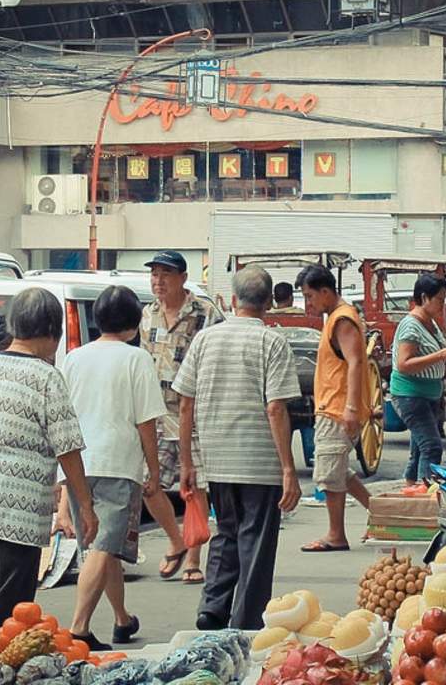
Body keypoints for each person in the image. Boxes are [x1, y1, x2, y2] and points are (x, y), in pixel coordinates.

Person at [0, 287, 99, 646]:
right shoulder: (46, 377)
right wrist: (84, 505)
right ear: (52, 330)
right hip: (17, 506)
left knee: (2, 586)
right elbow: (68, 449)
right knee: (11, 601)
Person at [173, 266, 302, 630]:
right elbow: (276, 407)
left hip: (217, 459)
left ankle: (212, 607)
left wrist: (188, 461)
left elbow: (185, 402)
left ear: (232, 300)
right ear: (267, 304)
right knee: (256, 545)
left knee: (226, 534)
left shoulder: (206, 339)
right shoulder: (272, 342)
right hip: (259, 463)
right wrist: (288, 469)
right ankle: (245, 623)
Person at [58, 286, 166, 650]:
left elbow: (64, 416)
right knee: (104, 547)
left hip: (78, 463)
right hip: (118, 463)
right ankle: (79, 628)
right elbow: (146, 421)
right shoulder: (136, 359)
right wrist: (154, 469)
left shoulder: (74, 358)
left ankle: (122, 619)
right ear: (135, 325)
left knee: (105, 547)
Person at [140, 250, 223, 585]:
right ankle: (175, 540)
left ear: (183, 279)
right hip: (157, 411)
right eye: (155, 275)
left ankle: (193, 556)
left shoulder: (205, 313)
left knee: (195, 485)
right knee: (149, 484)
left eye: (166, 275)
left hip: (194, 410)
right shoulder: (147, 314)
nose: (158, 281)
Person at [296, 265, 372, 552]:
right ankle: (380, 515)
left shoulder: (342, 320)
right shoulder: (337, 318)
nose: (308, 303)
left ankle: (335, 534)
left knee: (329, 474)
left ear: (326, 292)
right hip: (333, 405)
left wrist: (351, 407)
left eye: (310, 296)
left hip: (338, 407)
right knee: (339, 470)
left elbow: (355, 362)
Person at [390, 273, 446, 486]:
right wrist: (442, 355)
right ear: (424, 298)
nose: (443, 304)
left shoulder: (431, 323)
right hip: (411, 395)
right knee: (431, 446)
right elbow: (404, 364)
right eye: (439, 299)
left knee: (419, 448)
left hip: (430, 394)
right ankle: (425, 492)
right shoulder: (411, 325)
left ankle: (411, 489)